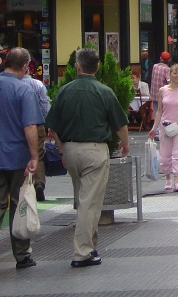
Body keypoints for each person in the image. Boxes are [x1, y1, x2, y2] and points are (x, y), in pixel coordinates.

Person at [45, 48, 130, 268]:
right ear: (98, 67)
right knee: (89, 203)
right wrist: (125, 144)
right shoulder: (104, 91)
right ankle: (81, 253)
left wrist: (62, 148)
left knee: (83, 200)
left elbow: (52, 126)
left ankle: (91, 246)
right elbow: (120, 125)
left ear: (78, 67)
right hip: (94, 151)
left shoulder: (65, 91)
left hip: (71, 150)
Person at [0, 48, 42, 269]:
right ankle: (22, 255)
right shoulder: (24, 90)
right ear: (24, 66)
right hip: (17, 156)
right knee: (19, 202)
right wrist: (34, 157)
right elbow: (30, 126)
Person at [148, 63, 178, 192]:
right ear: (169, 74)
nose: (177, 75)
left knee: (177, 154)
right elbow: (159, 111)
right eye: (175, 73)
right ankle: (168, 177)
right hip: (165, 125)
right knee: (165, 156)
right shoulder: (162, 90)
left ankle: (177, 181)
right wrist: (154, 128)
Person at [21, 58, 50, 202]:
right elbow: (45, 106)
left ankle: (22, 186)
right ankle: (39, 184)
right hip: (37, 124)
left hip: (18, 125)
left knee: (21, 153)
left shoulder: (15, 84)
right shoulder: (38, 85)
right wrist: (48, 124)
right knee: (38, 154)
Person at [149, 51, 172, 123]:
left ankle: (156, 128)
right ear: (169, 60)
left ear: (160, 58)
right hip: (163, 95)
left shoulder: (154, 66)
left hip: (154, 94)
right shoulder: (167, 69)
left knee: (156, 112)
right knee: (163, 113)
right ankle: (160, 128)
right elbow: (169, 82)